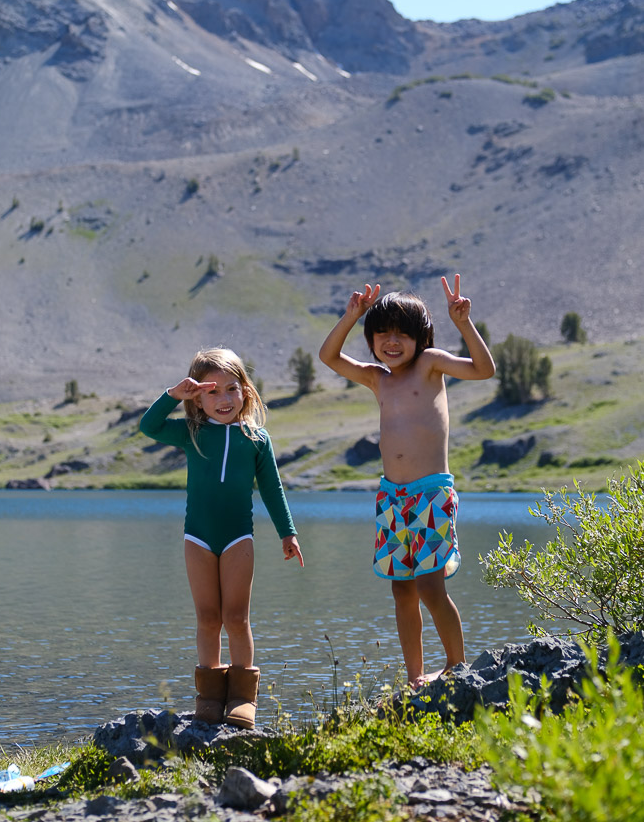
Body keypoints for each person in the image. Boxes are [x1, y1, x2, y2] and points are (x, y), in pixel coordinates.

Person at [319, 275, 495, 687]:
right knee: (401, 590)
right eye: (382, 333)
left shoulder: (430, 364)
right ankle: (415, 677)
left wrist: (464, 323)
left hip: (431, 493)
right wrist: (351, 316)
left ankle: (456, 668)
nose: (392, 341)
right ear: (371, 339)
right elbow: (329, 356)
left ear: (421, 338)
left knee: (430, 587)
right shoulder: (377, 378)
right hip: (391, 499)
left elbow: (484, 370)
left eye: (402, 333)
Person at [139, 347, 303, 729]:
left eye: (232, 388)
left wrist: (288, 533)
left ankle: (243, 697)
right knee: (208, 617)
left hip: (237, 540)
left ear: (245, 390)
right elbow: (149, 426)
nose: (224, 398)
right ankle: (210, 696)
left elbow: (273, 489)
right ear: (198, 398)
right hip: (197, 539)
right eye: (212, 391)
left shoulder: (257, 438)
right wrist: (172, 395)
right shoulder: (191, 432)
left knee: (236, 617)